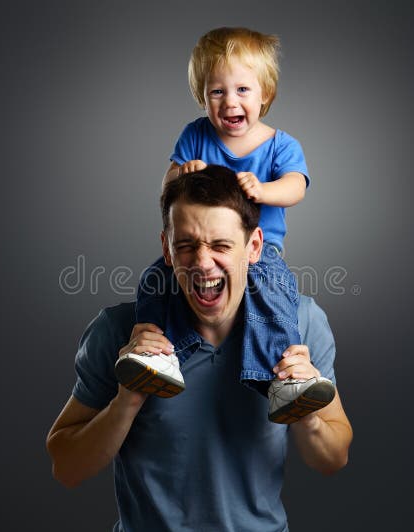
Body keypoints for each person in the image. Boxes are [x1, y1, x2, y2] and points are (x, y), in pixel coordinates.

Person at [47, 165, 353, 531]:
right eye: (186, 246)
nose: (202, 263)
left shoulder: (300, 325)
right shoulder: (119, 333)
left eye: (221, 245)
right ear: (167, 249)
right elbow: (66, 468)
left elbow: (333, 458)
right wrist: (127, 399)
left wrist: (306, 414)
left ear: (253, 246)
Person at [128, 27, 317, 422]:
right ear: (203, 97)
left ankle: (281, 379)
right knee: (153, 280)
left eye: (243, 90)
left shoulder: (280, 144)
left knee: (275, 292)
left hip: (258, 252)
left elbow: (296, 186)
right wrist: (183, 172)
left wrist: (265, 190)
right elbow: (167, 187)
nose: (230, 101)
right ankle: (154, 354)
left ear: (265, 94)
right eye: (217, 92)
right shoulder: (196, 134)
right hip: (200, 243)